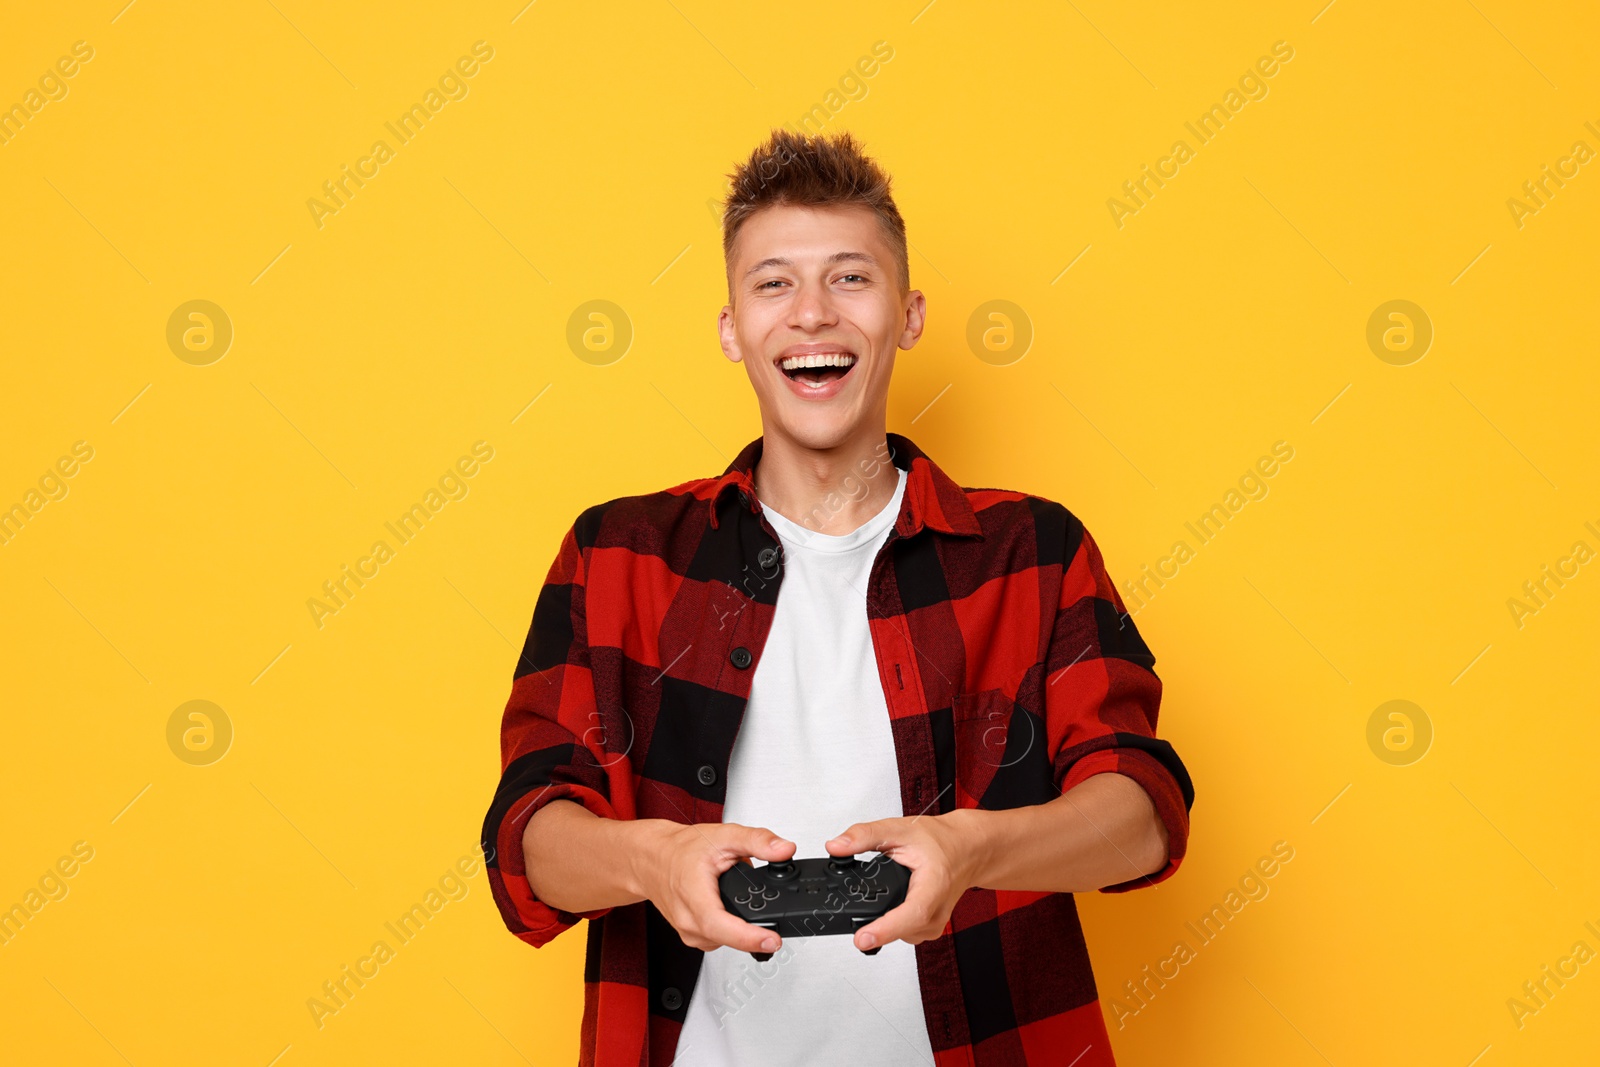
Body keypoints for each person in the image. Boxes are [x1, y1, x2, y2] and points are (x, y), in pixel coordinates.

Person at [480, 128, 1193, 1066]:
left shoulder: (1033, 549)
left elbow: (1144, 815)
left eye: (850, 279)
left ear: (908, 314)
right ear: (732, 326)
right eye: (773, 283)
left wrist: (975, 850)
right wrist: (653, 861)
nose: (811, 313)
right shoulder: (618, 553)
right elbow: (529, 835)